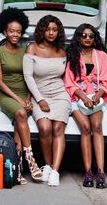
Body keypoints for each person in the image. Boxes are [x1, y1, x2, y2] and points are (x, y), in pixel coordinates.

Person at [0, 8, 43, 184]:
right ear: (5, 31)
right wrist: (20, 101)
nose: (15, 34)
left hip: (25, 94)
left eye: (18, 32)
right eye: (11, 31)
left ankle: (17, 169)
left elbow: (30, 77)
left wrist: (28, 98)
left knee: (18, 129)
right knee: (20, 114)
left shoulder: (25, 51)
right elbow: (0, 82)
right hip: (6, 95)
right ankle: (31, 160)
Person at [23, 15, 71, 187]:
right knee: (44, 128)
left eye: (54, 30)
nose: (51, 33)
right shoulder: (32, 48)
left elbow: (67, 77)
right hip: (39, 93)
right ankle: (48, 165)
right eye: (48, 29)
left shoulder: (62, 51)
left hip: (60, 94)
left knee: (58, 128)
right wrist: (39, 99)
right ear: (42, 30)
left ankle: (55, 171)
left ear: (58, 32)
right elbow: (28, 76)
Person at [64, 24, 107, 189]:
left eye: (91, 36)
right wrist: (84, 98)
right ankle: (88, 172)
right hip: (77, 97)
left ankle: (100, 172)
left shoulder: (102, 56)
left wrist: (96, 98)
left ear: (94, 38)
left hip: (97, 97)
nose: (87, 38)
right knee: (85, 127)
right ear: (78, 37)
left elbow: (106, 81)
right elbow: (69, 82)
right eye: (84, 35)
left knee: (96, 126)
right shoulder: (72, 55)